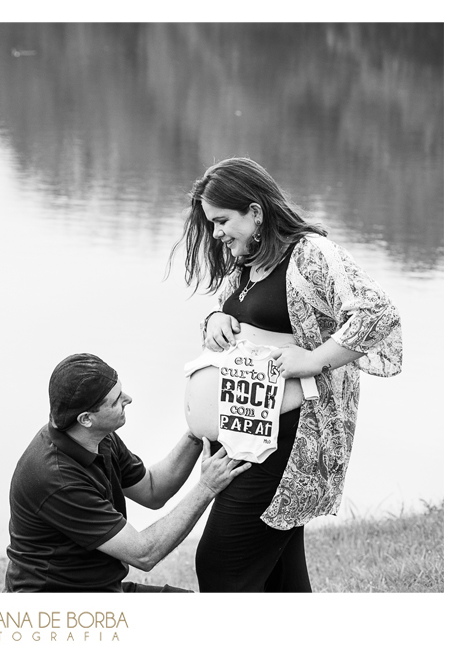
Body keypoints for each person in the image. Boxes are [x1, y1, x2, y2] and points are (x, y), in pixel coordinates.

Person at [169, 157, 402, 592]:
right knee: (280, 579)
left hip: (284, 443)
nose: (216, 233)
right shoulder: (247, 257)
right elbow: (252, 322)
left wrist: (314, 361)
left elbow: (378, 314)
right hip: (244, 434)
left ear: (255, 212)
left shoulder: (311, 254)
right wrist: (216, 318)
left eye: (222, 221)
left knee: (222, 565)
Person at [4, 353, 250, 592]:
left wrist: (199, 426)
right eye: (116, 400)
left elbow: (153, 490)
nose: (129, 399)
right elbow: (144, 554)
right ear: (86, 418)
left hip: (100, 588)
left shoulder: (96, 437)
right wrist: (206, 487)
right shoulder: (57, 479)